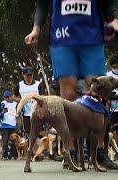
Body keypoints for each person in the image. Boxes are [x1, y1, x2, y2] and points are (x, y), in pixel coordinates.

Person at [24, 0, 118, 169]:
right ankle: (71, 151)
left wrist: (114, 18)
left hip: (92, 38)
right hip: (62, 39)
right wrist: (36, 29)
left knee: (99, 92)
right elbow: (43, 4)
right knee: (68, 94)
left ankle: (99, 151)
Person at [12, 66, 44, 135]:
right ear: (23, 75)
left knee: (40, 133)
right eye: (27, 75)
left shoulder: (38, 84)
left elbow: (43, 98)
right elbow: (14, 97)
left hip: (37, 113)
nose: (29, 77)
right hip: (26, 114)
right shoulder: (19, 85)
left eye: (31, 75)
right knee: (29, 133)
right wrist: (23, 100)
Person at [103, 54, 118, 169]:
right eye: (114, 65)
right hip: (111, 106)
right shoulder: (108, 75)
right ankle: (108, 152)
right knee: (110, 130)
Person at [0, 91, 18, 160]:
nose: (7, 98)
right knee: (5, 141)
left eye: (8, 97)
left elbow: (19, 112)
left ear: (11, 97)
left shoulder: (15, 104)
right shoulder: (3, 103)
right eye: (5, 97)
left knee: (15, 141)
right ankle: (5, 156)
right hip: (5, 125)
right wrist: (2, 112)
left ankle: (15, 155)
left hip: (13, 125)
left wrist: (18, 115)